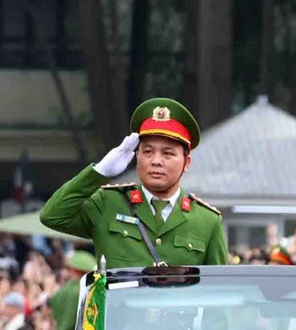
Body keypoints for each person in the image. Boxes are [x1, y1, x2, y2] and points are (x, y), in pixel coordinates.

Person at [37, 97, 229, 267]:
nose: (156, 161)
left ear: (186, 162)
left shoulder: (207, 221)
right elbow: (53, 216)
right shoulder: (108, 203)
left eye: (168, 153)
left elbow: (219, 292)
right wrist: (99, 173)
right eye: (147, 152)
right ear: (136, 157)